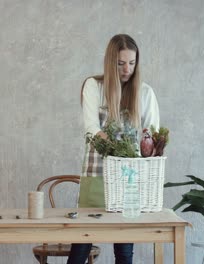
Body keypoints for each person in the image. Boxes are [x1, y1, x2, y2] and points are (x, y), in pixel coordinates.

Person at [67, 34, 160, 264]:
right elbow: (91, 130)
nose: (127, 69)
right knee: (81, 246)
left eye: (131, 63)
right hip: (95, 176)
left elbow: (152, 138)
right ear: (110, 62)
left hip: (128, 182)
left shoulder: (145, 93)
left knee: (124, 252)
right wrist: (122, 149)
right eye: (120, 63)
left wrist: (144, 150)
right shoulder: (93, 87)